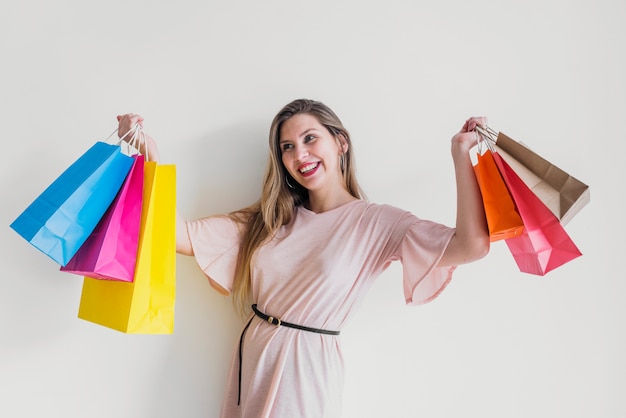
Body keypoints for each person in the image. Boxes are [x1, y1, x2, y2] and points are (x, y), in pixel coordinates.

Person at [117, 99, 490, 418]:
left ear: (340, 142)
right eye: (287, 147)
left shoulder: (376, 222)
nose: (300, 155)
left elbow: (471, 245)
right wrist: (149, 159)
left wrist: (461, 154)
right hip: (254, 357)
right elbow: (177, 236)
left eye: (310, 139)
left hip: (305, 367)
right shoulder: (270, 219)